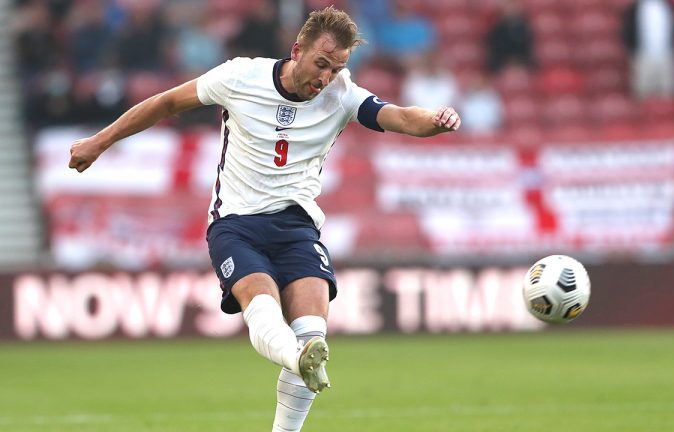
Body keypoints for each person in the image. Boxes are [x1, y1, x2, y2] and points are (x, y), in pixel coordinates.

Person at [68, 6, 461, 432]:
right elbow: (167, 102)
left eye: (337, 68)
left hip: (297, 227)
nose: (326, 78)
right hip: (236, 223)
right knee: (269, 312)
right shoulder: (241, 77)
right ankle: (298, 355)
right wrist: (99, 140)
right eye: (322, 64)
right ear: (298, 51)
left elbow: (403, 117)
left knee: (314, 334)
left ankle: (294, 388)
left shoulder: (342, 94)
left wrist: (437, 119)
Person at [621, 0, 674, 100]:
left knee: (668, 94)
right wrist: (634, 53)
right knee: (643, 93)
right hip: (643, 57)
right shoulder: (634, 9)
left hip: (666, 56)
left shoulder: (668, 6)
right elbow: (627, 32)